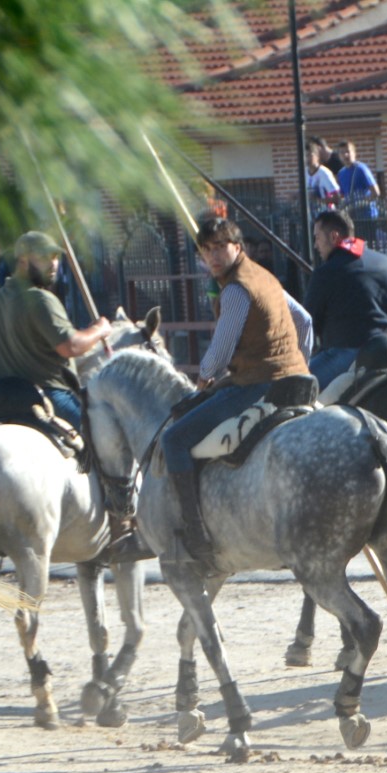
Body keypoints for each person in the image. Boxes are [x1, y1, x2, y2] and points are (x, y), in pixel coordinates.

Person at [149, 216, 314, 569]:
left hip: (258, 383)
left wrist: (204, 378)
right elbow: (304, 321)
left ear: (237, 247)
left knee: (174, 439)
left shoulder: (236, 289)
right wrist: (300, 361)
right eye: (206, 250)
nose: (213, 256)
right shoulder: (265, 277)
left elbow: (221, 350)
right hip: (296, 379)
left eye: (220, 247)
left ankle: (195, 536)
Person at [0, 231, 113, 429]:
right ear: (23, 260)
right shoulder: (41, 299)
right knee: (101, 435)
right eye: (43, 257)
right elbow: (70, 346)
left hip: (3, 400)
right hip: (49, 397)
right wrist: (99, 329)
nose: (53, 264)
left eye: (55, 257)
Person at [303, 208, 387, 382]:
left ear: (334, 236)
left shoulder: (325, 273)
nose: (315, 245)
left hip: (347, 356)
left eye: (317, 238)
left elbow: (308, 322)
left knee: (294, 387)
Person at [335, 140, 382, 228]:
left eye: (348, 151)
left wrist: (362, 203)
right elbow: (342, 196)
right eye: (342, 152)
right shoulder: (341, 173)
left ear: (354, 153)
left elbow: (375, 192)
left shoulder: (361, 169)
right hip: (351, 217)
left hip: (367, 216)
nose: (345, 155)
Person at [305, 142, 342, 216]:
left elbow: (337, 198)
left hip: (327, 215)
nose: (307, 159)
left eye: (309, 155)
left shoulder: (324, 173)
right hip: (311, 216)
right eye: (305, 156)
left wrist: (318, 200)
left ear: (317, 156)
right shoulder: (305, 173)